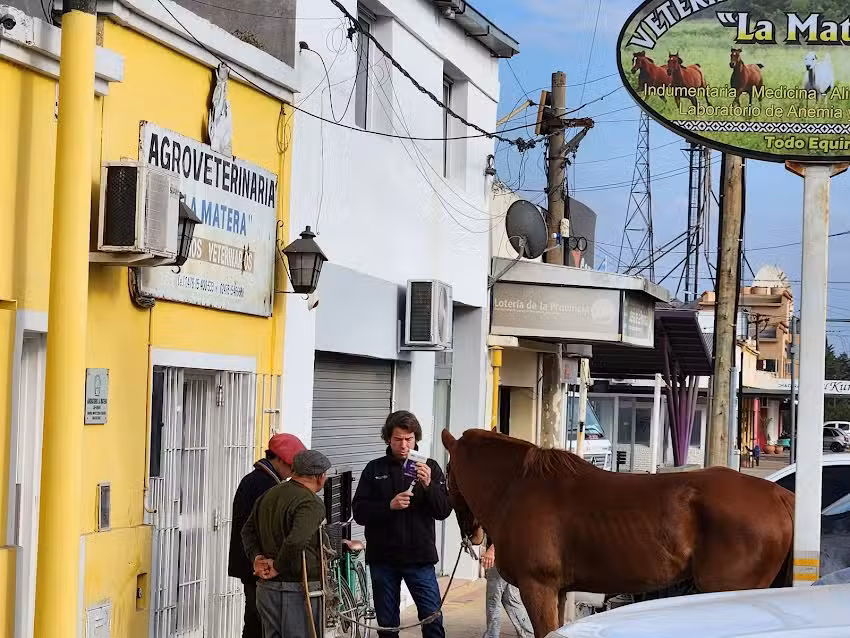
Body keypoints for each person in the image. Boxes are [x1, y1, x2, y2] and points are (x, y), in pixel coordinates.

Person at [352, 410, 452, 638]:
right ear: (388, 439)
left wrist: (429, 485)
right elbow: (359, 512)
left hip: (420, 557)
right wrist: (389, 505)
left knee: (432, 618)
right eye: (398, 439)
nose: (404, 445)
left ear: (416, 438)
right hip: (383, 559)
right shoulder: (374, 469)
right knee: (387, 624)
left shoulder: (431, 467)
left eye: (409, 439)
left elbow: (443, 510)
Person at [241, 449, 332, 638]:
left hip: (267, 589)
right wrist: (278, 566)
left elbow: (247, 531)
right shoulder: (311, 502)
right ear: (320, 477)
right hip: (298, 590)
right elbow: (296, 540)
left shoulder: (269, 494)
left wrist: (257, 558)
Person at [229, 433, 306, 638]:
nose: (291, 473)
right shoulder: (266, 486)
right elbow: (263, 530)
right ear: (279, 460)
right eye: (291, 466)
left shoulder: (255, 480)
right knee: (260, 622)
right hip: (259, 565)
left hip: (251, 562)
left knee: (255, 620)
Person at [480, 539, 533, 638]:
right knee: (512, 600)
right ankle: (529, 635)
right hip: (513, 558)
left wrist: (492, 549)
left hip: (502, 557)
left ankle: (491, 636)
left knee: (493, 602)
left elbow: (508, 528)